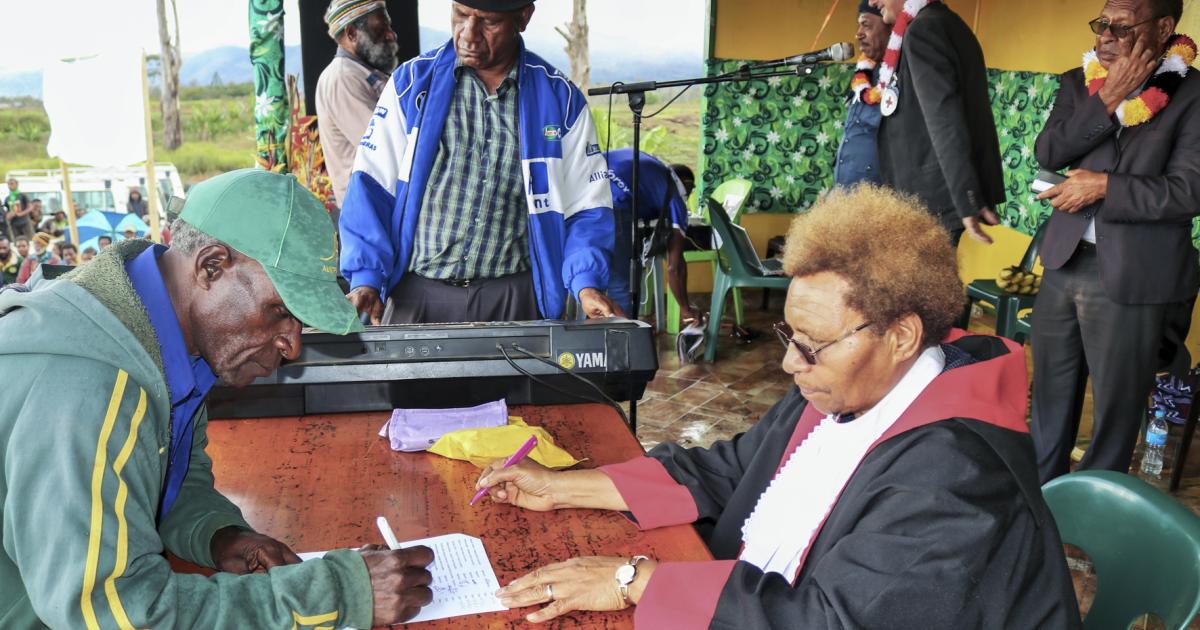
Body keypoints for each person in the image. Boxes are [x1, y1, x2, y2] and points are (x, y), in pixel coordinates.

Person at [473, 185, 1080, 628]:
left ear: (901, 336)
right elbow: (735, 470)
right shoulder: (847, 385)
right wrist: (562, 488)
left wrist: (633, 580)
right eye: (790, 339)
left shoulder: (955, 476)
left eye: (812, 347)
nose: (791, 364)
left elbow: (837, 621)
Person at [0, 169, 435, 627]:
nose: (292, 345)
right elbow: (114, 613)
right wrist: (335, 593)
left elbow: (167, 479)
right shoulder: (91, 389)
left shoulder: (161, 343)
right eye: (280, 312)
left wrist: (218, 533)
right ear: (211, 266)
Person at [340, 0, 619, 324]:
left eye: (487, 22)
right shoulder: (411, 85)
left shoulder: (560, 100)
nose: (468, 34)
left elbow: (587, 207)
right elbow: (371, 186)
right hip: (418, 297)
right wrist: (366, 277)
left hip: (516, 300)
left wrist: (586, 285)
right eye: (460, 15)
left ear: (523, 17)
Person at [1030, 0, 1200, 481]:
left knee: (1115, 410)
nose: (1105, 35)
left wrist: (1104, 187)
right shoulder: (1079, 82)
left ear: (1164, 28)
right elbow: (1049, 150)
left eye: (1121, 27)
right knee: (1050, 397)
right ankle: (1043, 504)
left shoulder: (1194, 95)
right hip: (1064, 262)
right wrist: (1107, 99)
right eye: (1101, 24)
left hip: (1133, 275)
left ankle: (1091, 521)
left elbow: (1189, 190)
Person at [869, 0, 1005, 245]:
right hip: (936, 198)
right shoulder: (947, 23)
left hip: (930, 202)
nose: (871, 1)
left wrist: (967, 199)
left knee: (917, 284)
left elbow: (944, 119)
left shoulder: (923, 30)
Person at [316, 0, 400, 208]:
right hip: (369, 214)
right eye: (380, 30)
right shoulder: (342, 78)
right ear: (351, 33)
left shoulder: (365, 72)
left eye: (389, 27)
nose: (391, 35)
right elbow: (385, 145)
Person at [604, 148, 699, 322]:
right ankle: (621, 340)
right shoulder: (674, 197)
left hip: (580, 198)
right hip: (613, 207)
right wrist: (686, 309)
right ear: (687, 185)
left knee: (591, 273)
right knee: (624, 282)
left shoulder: (651, 166)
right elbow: (674, 267)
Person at [833, 0, 889, 188]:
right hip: (844, 191)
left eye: (866, 24)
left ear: (890, 27)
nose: (858, 33)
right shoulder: (865, 71)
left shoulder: (902, 75)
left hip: (877, 203)